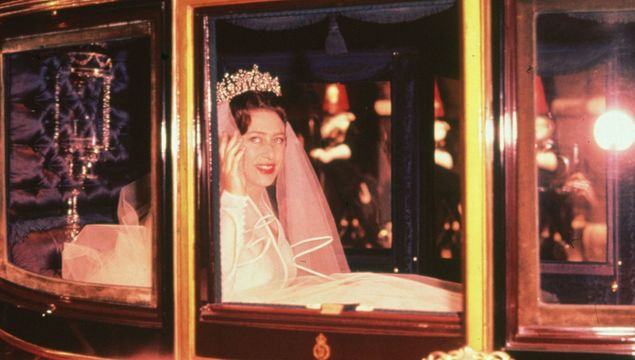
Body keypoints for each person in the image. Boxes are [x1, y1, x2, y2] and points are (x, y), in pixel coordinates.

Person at [217, 65, 461, 312]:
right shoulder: (223, 211)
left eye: (278, 140)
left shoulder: (262, 209)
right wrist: (234, 197)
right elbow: (218, 297)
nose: (270, 152)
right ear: (229, 144)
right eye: (255, 139)